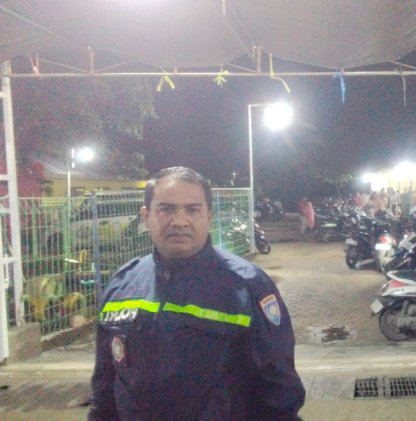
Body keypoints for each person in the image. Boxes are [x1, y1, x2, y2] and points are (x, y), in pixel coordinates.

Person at [89, 167, 305, 420]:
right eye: (166, 209)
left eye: (192, 210)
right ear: (146, 216)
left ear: (208, 217)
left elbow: (279, 394)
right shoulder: (122, 284)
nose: (179, 222)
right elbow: (105, 388)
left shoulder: (248, 287)